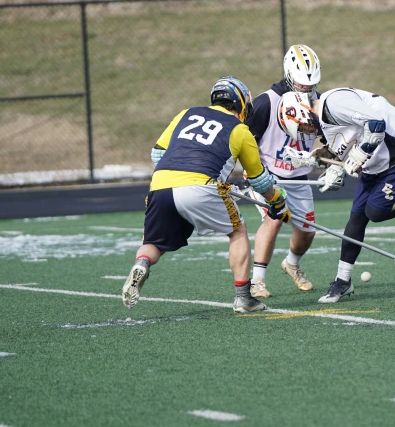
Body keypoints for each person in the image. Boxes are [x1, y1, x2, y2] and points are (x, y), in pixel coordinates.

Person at [121, 76, 290, 313]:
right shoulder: (240, 130)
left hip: (160, 185)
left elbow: (158, 154)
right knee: (237, 231)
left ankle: (142, 263)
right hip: (200, 187)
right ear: (241, 103)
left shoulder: (185, 114)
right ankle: (243, 298)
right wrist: (276, 199)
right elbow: (259, 181)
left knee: (153, 243)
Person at [276, 88, 395, 303]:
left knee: (376, 211)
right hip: (378, 162)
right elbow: (340, 151)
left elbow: (376, 125)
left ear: (303, 111)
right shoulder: (325, 119)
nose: (307, 131)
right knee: (356, 219)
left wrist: (360, 154)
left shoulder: (334, 103)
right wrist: (313, 159)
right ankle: (342, 281)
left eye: (302, 126)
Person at [243, 45, 327, 298]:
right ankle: (257, 281)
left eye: (310, 84)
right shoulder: (266, 102)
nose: (306, 89)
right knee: (275, 217)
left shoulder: (318, 102)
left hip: (298, 177)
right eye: (301, 84)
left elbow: (328, 140)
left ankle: (291, 263)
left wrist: (325, 159)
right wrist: (255, 173)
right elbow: (243, 140)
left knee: (307, 232)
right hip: (266, 174)